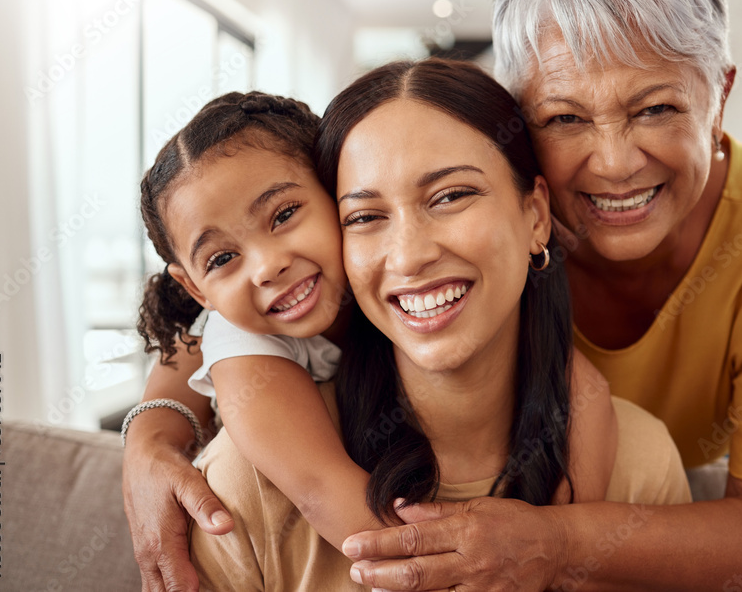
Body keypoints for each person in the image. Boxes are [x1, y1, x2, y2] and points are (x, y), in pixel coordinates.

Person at [340, 0, 742, 590]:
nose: (614, 164)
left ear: (719, 96)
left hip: (657, 494)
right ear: (517, 122)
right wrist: (164, 415)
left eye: (657, 108)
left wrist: (550, 540)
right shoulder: (479, 228)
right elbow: (259, 282)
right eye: (564, 119)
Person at [186, 59, 690, 590]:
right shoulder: (244, 487)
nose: (408, 257)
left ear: (536, 216)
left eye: (450, 196)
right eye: (364, 217)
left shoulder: (639, 461)